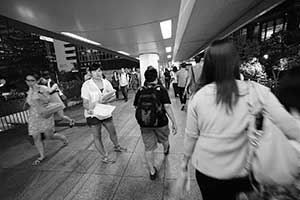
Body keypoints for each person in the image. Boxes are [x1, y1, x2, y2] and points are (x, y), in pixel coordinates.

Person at [179, 39, 300, 200]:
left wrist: (184, 164)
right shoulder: (258, 91)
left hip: (207, 171)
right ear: (235, 63)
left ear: (208, 66)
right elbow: (292, 128)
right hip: (244, 173)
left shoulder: (198, 97)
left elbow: (191, 136)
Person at [133, 66, 177, 180]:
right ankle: (166, 149)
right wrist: (174, 122)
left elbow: (135, 106)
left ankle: (152, 172)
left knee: (148, 148)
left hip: (145, 124)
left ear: (146, 78)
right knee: (165, 139)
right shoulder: (161, 89)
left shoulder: (140, 90)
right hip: (160, 122)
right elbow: (167, 106)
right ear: (156, 77)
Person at [81, 64, 127, 163]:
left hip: (105, 112)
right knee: (97, 136)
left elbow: (114, 96)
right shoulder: (86, 85)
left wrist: (106, 100)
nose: (98, 73)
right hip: (93, 114)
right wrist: (89, 108)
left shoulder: (106, 82)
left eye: (99, 71)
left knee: (112, 131)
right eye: (95, 71)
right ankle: (104, 156)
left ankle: (117, 146)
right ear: (90, 73)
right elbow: (85, 103)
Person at [25, 73, 68, 165]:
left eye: (32, 80)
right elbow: (30, 102)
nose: (29, 82)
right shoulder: (28, 91)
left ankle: (63, 138)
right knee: (35, 136)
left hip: (45, 115)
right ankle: (42, 155)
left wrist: (38, 94)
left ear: (36, 81)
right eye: (27, 80)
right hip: (33, 117)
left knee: (49, 136)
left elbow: (47, 100)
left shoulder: (42, 88)